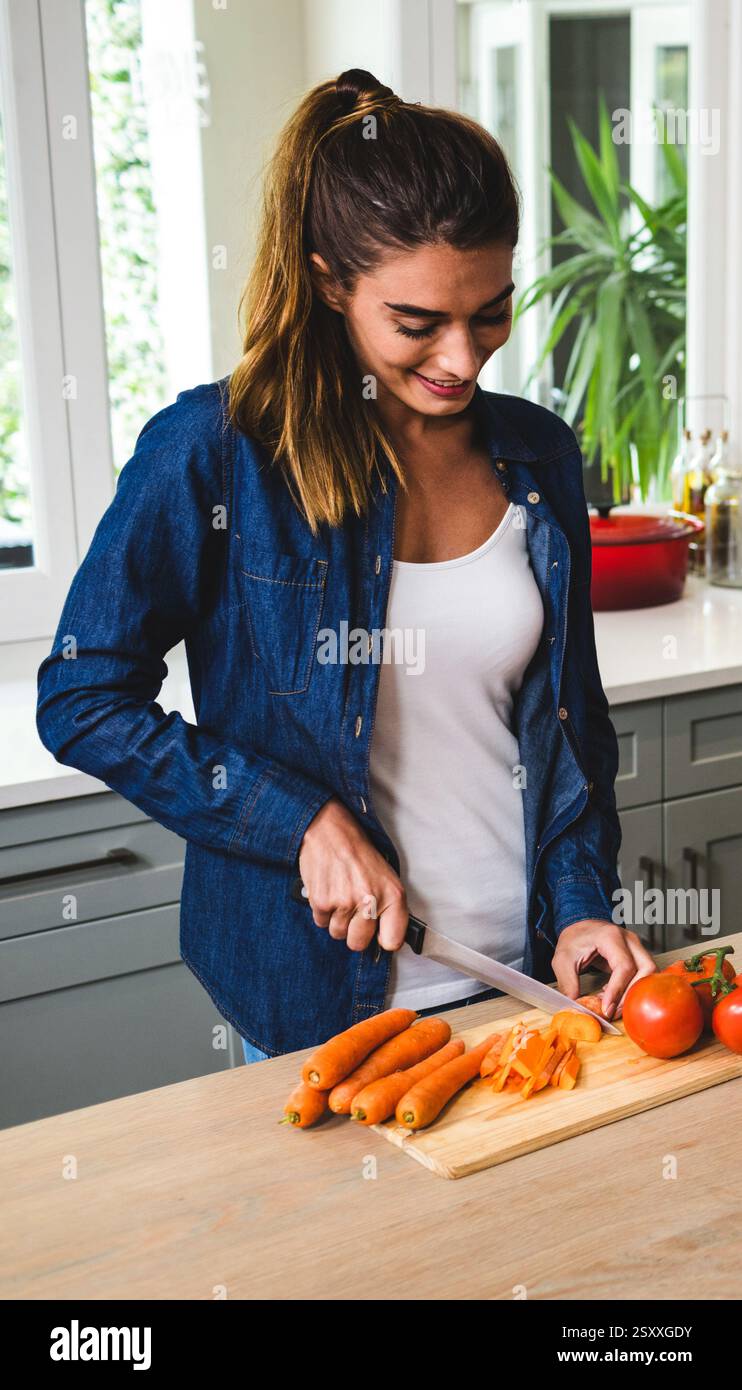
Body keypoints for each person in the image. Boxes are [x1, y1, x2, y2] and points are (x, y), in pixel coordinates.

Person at [36, 69, 655, 1069]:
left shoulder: (537, 452)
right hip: (322, 1005)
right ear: (330, 282)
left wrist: (584, 905)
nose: (462, 358)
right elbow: (81, 697)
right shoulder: (216, 452)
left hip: (528, 981)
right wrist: (299, 820)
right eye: (417, 323)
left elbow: (571, 725)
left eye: (490, 312)